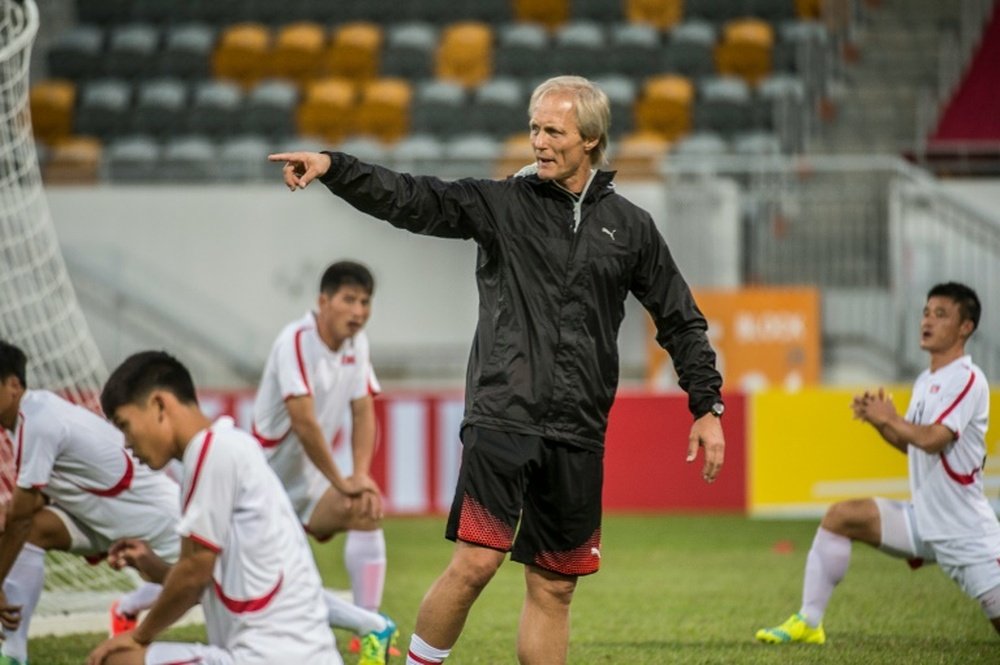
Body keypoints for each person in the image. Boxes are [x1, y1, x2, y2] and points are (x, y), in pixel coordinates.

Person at [269, 75, 726, 665]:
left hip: (579, 428)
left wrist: (705, 405)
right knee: (476, 563)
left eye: (552, 130)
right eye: (534, 127)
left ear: (589, 139)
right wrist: (334, 167)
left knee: (555, 586)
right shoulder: (502, 205)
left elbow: (681, 319)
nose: (538, 140)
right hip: (503, 415)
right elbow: (412, 198)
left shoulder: (631, 227)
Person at [756, 282, 1000, 644]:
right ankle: (809, 621)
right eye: (926, 312)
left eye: (941, 314)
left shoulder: (968, 379)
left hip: (965, 533)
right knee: (841, 517)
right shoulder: (926, 380)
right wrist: (880, 421)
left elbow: (933, 440)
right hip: (924, 521)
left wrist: (892, 418)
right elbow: (912, 446)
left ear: (966, 327)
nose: (927, 321)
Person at [87, 350, 341, 665]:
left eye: (125, 425)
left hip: (268, 658)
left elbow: (194, 574)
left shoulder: (212, 450)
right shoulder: (225, 446)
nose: (126, 443)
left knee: (118, 661)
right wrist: (158, 570)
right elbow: (204, 579)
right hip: (299, 656)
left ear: (159, 406)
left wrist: (139, 635)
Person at [0, 341, 181, 665]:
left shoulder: (38, 421)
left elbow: (20, 516)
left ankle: (127, 608)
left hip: (158, 520)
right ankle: (12, 656)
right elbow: (33, 504)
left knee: (206, 589)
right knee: (31, 530)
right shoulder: (31, 417)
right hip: (101, 520)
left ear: (14, 385)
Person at [252, 260, 397, 658]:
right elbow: (303, 423)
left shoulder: (357, 344)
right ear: (322, 301)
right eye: (349, 300)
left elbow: (364, 410)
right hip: (261, 489)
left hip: (311, 487)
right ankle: (130, 608)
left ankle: (370, 631)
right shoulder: (295, 340)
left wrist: (360, 477)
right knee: (228, 575)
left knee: (365, 506)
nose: (359, 311)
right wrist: (341, 480)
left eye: (365, 302)